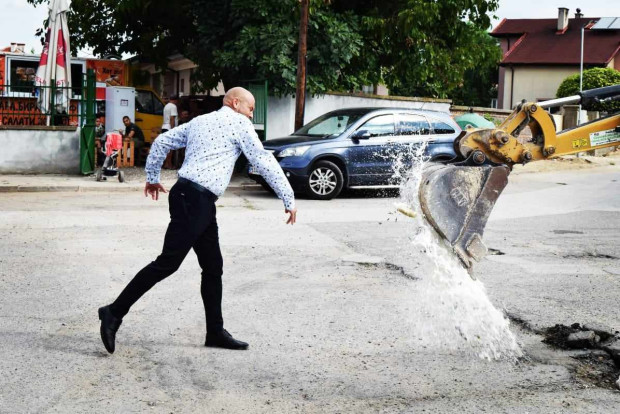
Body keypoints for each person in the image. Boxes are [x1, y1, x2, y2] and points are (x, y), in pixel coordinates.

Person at [98, 87, 297, 354]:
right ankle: (113, 312)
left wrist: (153, 176)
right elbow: (261, 159)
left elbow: (161, 142)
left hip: (193, 197)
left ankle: (215, 331)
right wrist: (288, 196)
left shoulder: (200, 121)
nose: (251, 115)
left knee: (213, 267)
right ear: (236, 103)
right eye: (251, 108)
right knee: (167, 263)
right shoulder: (239, 123)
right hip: (195, 200)